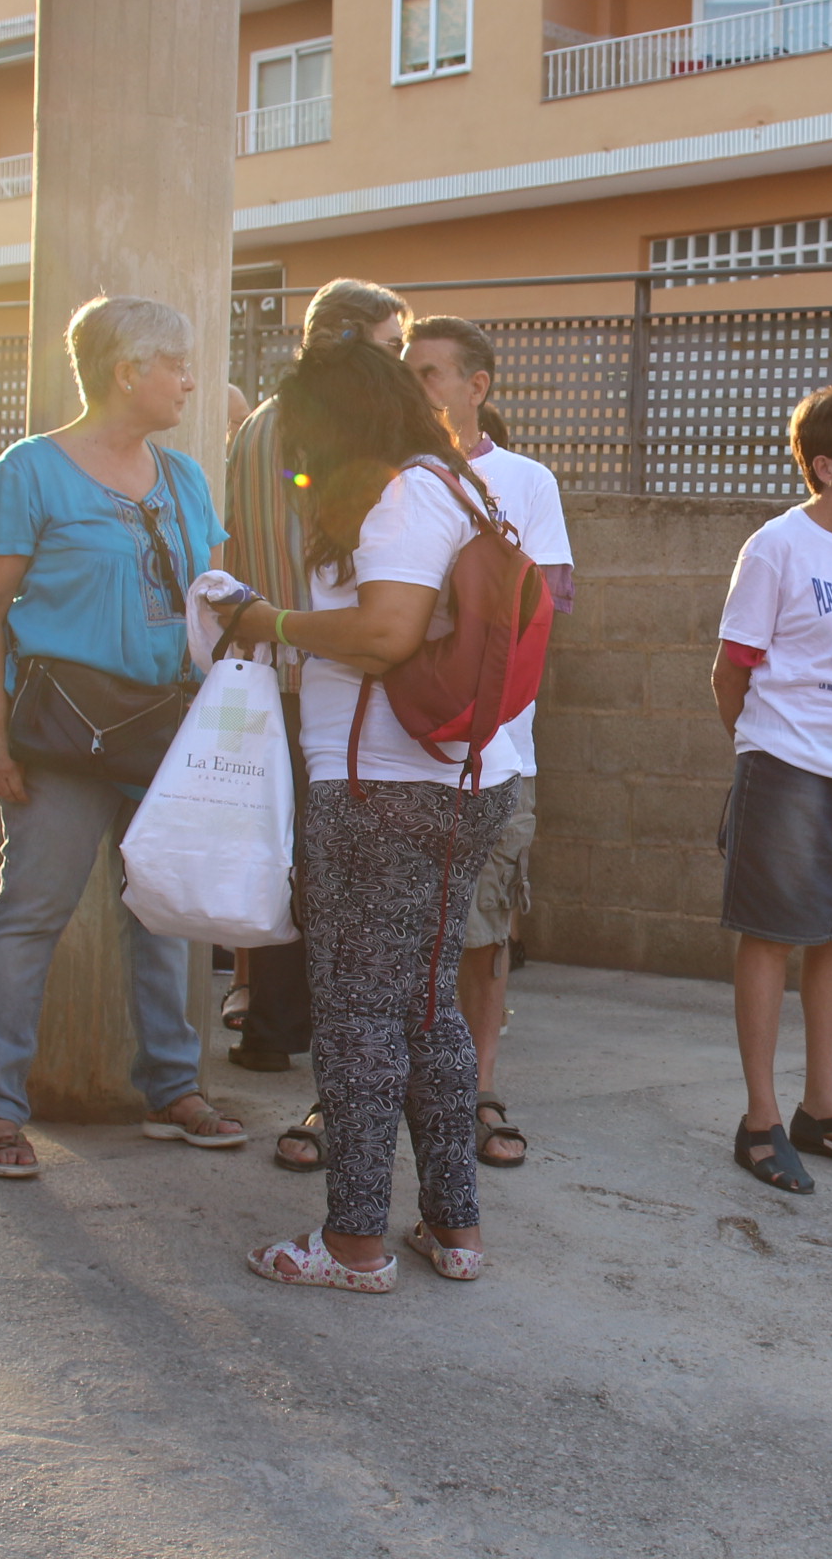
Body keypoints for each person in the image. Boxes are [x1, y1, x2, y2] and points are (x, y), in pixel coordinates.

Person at [234, 334, 521, 1291]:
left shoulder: (401, 497)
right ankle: (453, 1225)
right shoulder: (458, 487)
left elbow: (387, 632)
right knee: (427, 1007)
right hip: (456, 781)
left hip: (381, 786)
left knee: (358, 1012)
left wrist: (269, 622)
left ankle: (354, 1244)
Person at [0, 294, 246, 1178]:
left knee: (164, 916)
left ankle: (173, 1090)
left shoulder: (185, 477)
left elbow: (208, 602)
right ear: (128, 372)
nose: (191, 382)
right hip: (62, 737)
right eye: (178, 366)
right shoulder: (27, 474)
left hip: (162, 731)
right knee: (32, 913)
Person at [710, 386, 832, 1194]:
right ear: (824, 466)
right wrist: (764, 749)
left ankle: (822, 1109)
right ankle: (760, 1119)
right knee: (771, 935)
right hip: (789, 766)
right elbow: (731, 669)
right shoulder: (777, 546)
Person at [219, 281, 410, 1115]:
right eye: (392, 345)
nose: (399, 362)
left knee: (282, 851)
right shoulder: (343, 425)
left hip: (264, 667)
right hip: (333, 670)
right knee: (340, 866)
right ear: (350, 340)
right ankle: (335, 1031)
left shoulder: (255, 426)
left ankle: (269, 1025)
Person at [405, 315, 575, 1170]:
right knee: (381, 934)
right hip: (390, 751)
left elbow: (544, 614)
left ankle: (475, 1091)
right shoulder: (383, 477)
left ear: (477, 387)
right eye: (406, 372)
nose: (413, 388)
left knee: (483, 929)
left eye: (429, 373)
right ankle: (355, 1093)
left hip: (495, 753)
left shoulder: (526, 482)